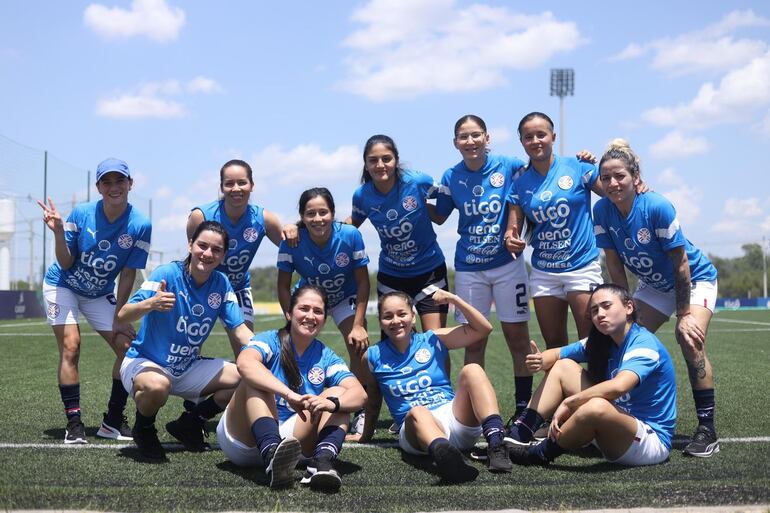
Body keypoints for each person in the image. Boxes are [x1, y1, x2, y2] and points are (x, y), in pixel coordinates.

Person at [593, 139, 720, 457]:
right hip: (652, 285)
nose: (612, 183)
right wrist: (623, 311)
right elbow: (614, 266)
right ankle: (617, 417)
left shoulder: (657, 206)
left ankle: (707, 429)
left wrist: (684, 315)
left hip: (694, 281)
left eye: (619, 176)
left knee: (689, 339)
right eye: (606, 178)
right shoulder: (602, 210)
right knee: (617, 339)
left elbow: (681, 266)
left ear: (635, 177)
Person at [38, 157, 152, 444]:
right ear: (99, 187)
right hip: (62, 285)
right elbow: (65, 264)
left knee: (129, 349)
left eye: (120, 180)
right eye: (107, 182)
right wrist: (59, 233)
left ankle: (112, 421)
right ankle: (74, 424)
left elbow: (127, 274)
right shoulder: (83, 213)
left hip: (99, 292)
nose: (114, 187)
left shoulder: (140, 224)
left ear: (130, 184)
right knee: (71, 346)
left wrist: (119, 317)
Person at [117, 221, 248, 460]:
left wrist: (270, 351)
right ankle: (144, 428)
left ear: (223, 254)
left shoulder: (221, 283)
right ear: (190, 244)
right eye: (202, 246)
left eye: (216, 249)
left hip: (186, 367)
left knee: (248, 377)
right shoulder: (167, 274)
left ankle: (191, 421)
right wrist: (151, 304)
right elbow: (123, 314)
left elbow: (239, 330)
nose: (208, 253)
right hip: (147, 363)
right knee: (157, 387)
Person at [506, 284, 677, 467]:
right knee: (564, 367)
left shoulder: (644, 343)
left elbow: (619, 386)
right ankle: (519, 433)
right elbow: (557, 354)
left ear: (629, 307)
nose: (600, 314)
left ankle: (538, 454)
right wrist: (540, 360)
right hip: (614, 419)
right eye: (594, 310)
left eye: (606, 306)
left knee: (596, 406)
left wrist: (569, 402)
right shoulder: (603, 340)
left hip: (648, 441)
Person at [216, 284, 366, 491]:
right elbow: (245, 363)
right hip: (244, 440)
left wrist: (332, 403)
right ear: (289, 313)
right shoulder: (269, 340)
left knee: (339, 396)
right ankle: (270, 454)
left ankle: (321, 462)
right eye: (304, 308)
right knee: (254, 380)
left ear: (324, 319)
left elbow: (360, 394)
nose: (310, 316)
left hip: (291, 446)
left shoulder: (326, 355)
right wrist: (288, 395)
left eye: (318, 311)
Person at [353, 289, 512, 483]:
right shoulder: (372, 356)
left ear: (413, 316)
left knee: (473, 370)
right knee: (417, 412)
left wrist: (455, 299)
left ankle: (496, 446)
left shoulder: (432, 339)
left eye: (402, 314)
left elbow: (483, 329)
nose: (396, 321)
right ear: (381, 322)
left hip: (454, 417)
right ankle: (449, 460)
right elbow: (373, 401)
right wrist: (365, 434)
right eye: (388, 316)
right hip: (416, 430)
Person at [433, 114, 534, 416]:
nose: (470, 141)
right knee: (473, 341)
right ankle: (472, 412)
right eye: (463, 137)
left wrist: (581, 161)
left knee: (518, 339)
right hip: (469, 268)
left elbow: (541, 178)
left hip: (508, 265)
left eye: (476, 135)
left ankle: (522, 409)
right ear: (455, 143)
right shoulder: (451, 176)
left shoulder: (511, 165)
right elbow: (437, 215)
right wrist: (420, 188)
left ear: (487, 138)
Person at [505, 112, 604, 351]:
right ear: (522, 142)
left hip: (581, 267)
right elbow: (512, 229)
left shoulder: (578, 166)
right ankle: (564, 389)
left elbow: (614, 193)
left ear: (553, 137)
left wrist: (635, 180)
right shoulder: (519, 184)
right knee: (554, 344)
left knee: (591, 342)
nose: (536, 140)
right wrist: (511, 239)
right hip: (544, 272)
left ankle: (599, 389)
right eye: (529, 137)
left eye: (541, 134)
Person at [187, 159, 287, 357]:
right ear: (222, 187)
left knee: (247, 351)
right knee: (188, 349)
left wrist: (294, 228)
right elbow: (194, 257)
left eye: (242, 182)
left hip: (238, 288)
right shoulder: (201, 216)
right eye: (229, 183)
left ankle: (246, 387)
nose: (236, 189)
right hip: (201, 287)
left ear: (252, 185)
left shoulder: (264, 219)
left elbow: (294, 249)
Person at [350, 134, 449, 334]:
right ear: (366, 165)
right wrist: (307, 226)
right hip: (391, 277)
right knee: (394, 346)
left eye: (386, 158)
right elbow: (352, 225)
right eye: (373, 160)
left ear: (396, 159)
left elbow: (447, 191)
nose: (380, 165)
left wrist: (439, 215)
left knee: (435, 341)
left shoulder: (417, 182)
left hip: (430, 273)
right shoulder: (362, 196)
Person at [277, 187, 370, 382]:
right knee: (293, 349)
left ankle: (358, 407)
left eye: (323, 212)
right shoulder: (291, 241)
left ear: (333, 213)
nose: (317, 219)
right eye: (310, 214)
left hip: (345, 298)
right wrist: (289, 315)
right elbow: (283, 286)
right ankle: (295, 395)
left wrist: (359, 324)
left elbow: (363, 281)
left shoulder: (350, 235)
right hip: (313, 302)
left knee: (360, 348)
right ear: (302, 216)